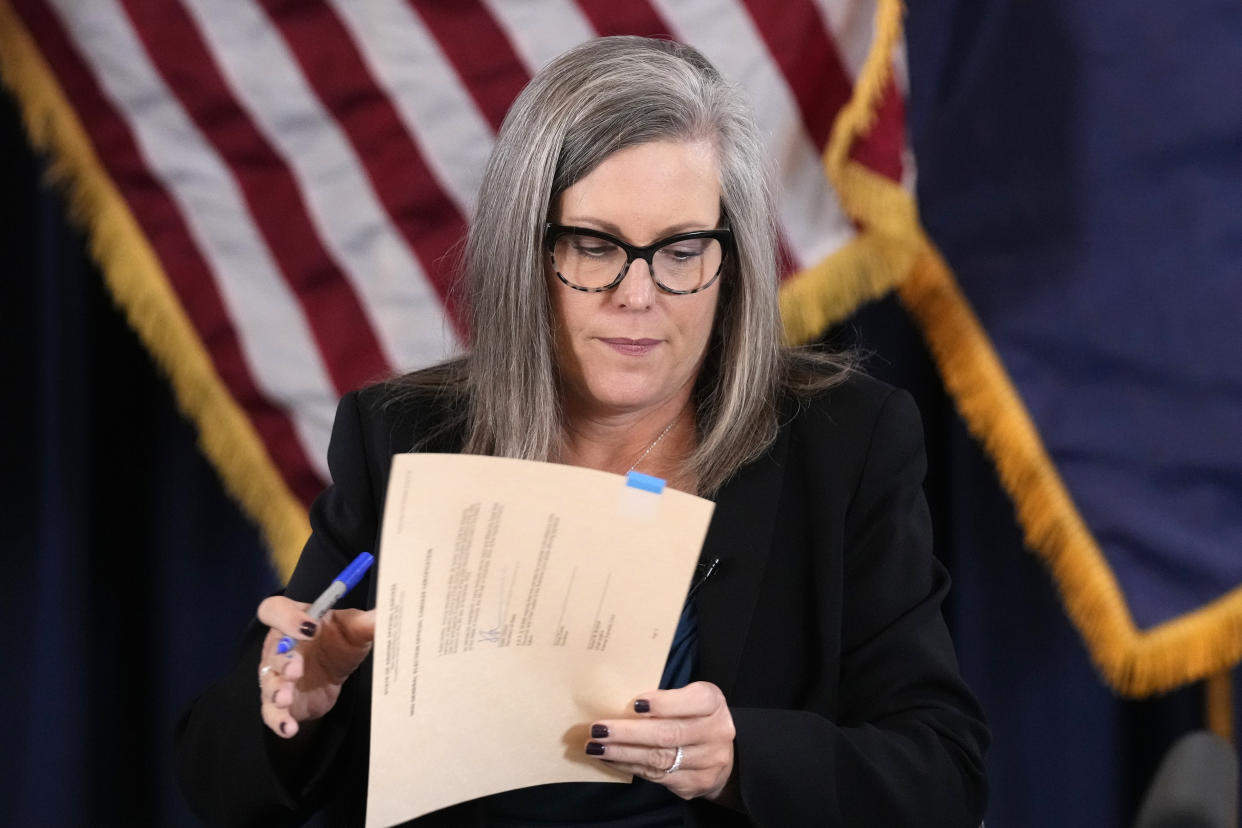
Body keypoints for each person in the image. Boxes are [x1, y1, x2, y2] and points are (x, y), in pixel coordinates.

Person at [175, 36, 988, 827]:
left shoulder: (845, 442)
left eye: (680, 250)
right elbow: (218, 782)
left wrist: (740, 758)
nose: (638, 294)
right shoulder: (405, 436)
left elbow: (943, 775)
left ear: (730, 264)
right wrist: (299, 707)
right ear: (527, 255)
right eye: (595, 247)